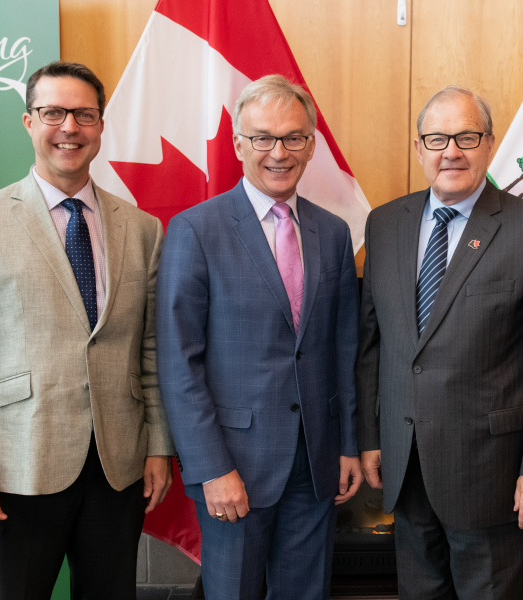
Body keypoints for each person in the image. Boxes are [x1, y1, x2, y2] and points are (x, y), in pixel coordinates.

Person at [0, 61, 175, 599]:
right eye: (53, 112)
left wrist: (158, 446)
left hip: (117, 469)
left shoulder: (142, 229)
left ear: (101, 126)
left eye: (84, 114)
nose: (69, 127)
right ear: (28, 122)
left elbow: (151, 351)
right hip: (15, 469)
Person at [357, 85, 523, 599]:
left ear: (488, 144)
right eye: (436, 138)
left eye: (465, 136)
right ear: (419, 148)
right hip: (408, 470)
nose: (450, 151)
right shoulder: (386, 224)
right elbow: (373, 347)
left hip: (495, 480)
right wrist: (372, 437)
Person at [156, 74, 362, 600]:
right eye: (263, 137)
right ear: (239, 144)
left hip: (314, 466)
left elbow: (342, 347)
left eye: (293, 137)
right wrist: (210, 468)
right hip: (234, 465)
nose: (279, 152)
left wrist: (346, 445)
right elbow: (180, 363)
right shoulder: (195, 230)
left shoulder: (333, 233)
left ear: (311, 145)